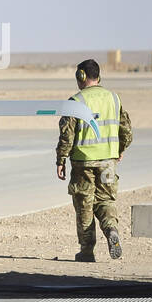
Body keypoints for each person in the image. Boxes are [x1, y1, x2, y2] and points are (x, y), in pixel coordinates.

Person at [56, 59, 132, 262]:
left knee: (84, 205)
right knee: (105, 200)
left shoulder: (76, 101)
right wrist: (119, 150)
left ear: (80, 76)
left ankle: (87, 251)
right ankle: (111, 230)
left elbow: (67, 135)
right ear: (98, 76)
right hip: (108, 161)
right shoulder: (114, 98)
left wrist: (61, 159)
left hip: (83, 163)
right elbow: (127, 131)